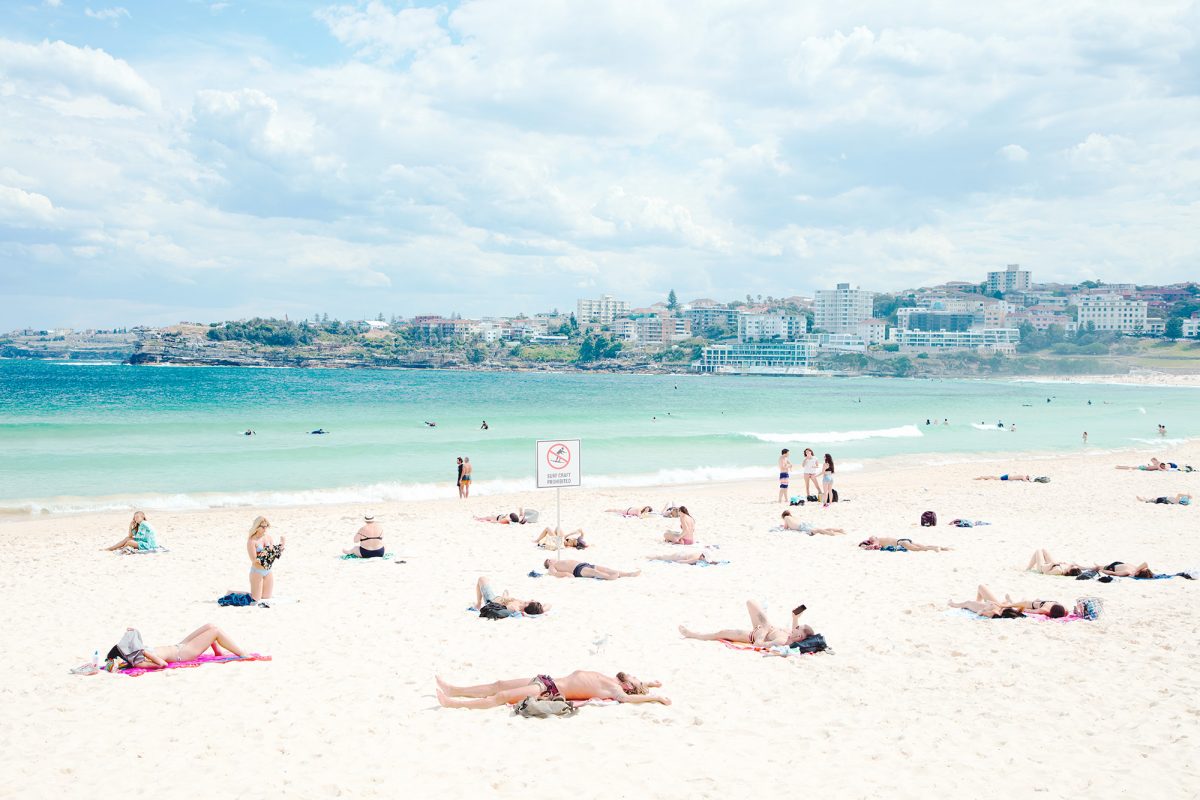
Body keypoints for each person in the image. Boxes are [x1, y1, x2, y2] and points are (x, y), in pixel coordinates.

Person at [436, 671, 669, 708]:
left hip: (548, 690)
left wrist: (654, 697)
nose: (632, 674)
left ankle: (453, 703)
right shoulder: (613, 680)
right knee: (499, 684)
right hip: (546, 678)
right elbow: (639, 687)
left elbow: (630, 700)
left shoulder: (616, 691)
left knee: (501, 697)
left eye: (635, 678)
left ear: (629, 686)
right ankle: (455, 689)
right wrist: (650, 684)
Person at [107, 623, 247, 670]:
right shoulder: (139, 662)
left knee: (210, 626)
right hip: (184, 654)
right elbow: (162, 664)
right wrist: (145, 653)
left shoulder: (136, 653)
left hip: (179, 645)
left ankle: (218, 653)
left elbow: (134, 639)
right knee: (215, 632)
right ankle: (243, 654)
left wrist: (131, 632)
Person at [678, 600, 812, 646]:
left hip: (755, 635)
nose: (796, 628)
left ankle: (693, 634)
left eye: (798, 628)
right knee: (750, 602)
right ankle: (764, 625)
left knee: (722, 633)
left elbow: (759, 645)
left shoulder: (782, 641)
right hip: (766, 627)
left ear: (799, 636)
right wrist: (795, 617)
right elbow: (795, 626)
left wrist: (760, 634)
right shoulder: (792, 634)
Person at [949, 585, 1054, 619]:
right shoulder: (1004, 611)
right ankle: (976, 601)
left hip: (985, 606)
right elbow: (1021, 609)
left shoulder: (994, 613)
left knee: (968, 602)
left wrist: (986, 608)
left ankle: (954, 605)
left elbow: (980, 613)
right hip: (995, 605)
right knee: (981, 588)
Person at [247, 516, 285, 605]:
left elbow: (273, 554)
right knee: (256, 599)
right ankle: (231, 593)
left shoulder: (268, 537)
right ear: (257, 527)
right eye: (263, 527)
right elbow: (254, 560)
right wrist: (263, 554)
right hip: (257, 571)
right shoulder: (252, 541)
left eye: (266, 526)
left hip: (268, 571)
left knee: (266, 597)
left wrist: (280, 548)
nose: (265, 529)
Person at [473, 576, 546, 616]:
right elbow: (548, 605)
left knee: (482, 579)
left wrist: (505, 598)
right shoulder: (523, 604)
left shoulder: (515, 608)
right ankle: (478, 603)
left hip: (492, 599)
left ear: (528, 605)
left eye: (532, 601)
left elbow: (501, 609)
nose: (532, 599)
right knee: (505, 591)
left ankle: (478, 603)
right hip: (501, 598)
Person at [543, 558, 640, 580]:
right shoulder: (552, 566)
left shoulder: (559, 561)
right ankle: (609, 577)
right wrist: (567, 575)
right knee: (595, 572)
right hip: (577, 570)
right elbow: (555, 574)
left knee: (606, 568)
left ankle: (628, 574)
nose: (551, 559)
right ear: (549, 562)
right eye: (549, 560)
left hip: (583, 564)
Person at [780, 510, 844, 536]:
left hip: (801, 526)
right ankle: (838, 530)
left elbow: (785, 527)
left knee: (818, 530)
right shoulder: (793, 517)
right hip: (804, 524)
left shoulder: (786, 517)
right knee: (819, 529)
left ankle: (831, 533)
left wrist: (783, 525)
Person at [858, 536, 951, 552]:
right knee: (922, 546)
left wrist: (868, 546)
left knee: (916, 549)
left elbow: (874, 543)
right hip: (904, 540)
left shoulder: (874, 539)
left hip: (901, 542)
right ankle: (943, 548)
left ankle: (933, 549)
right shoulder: (878, 541)